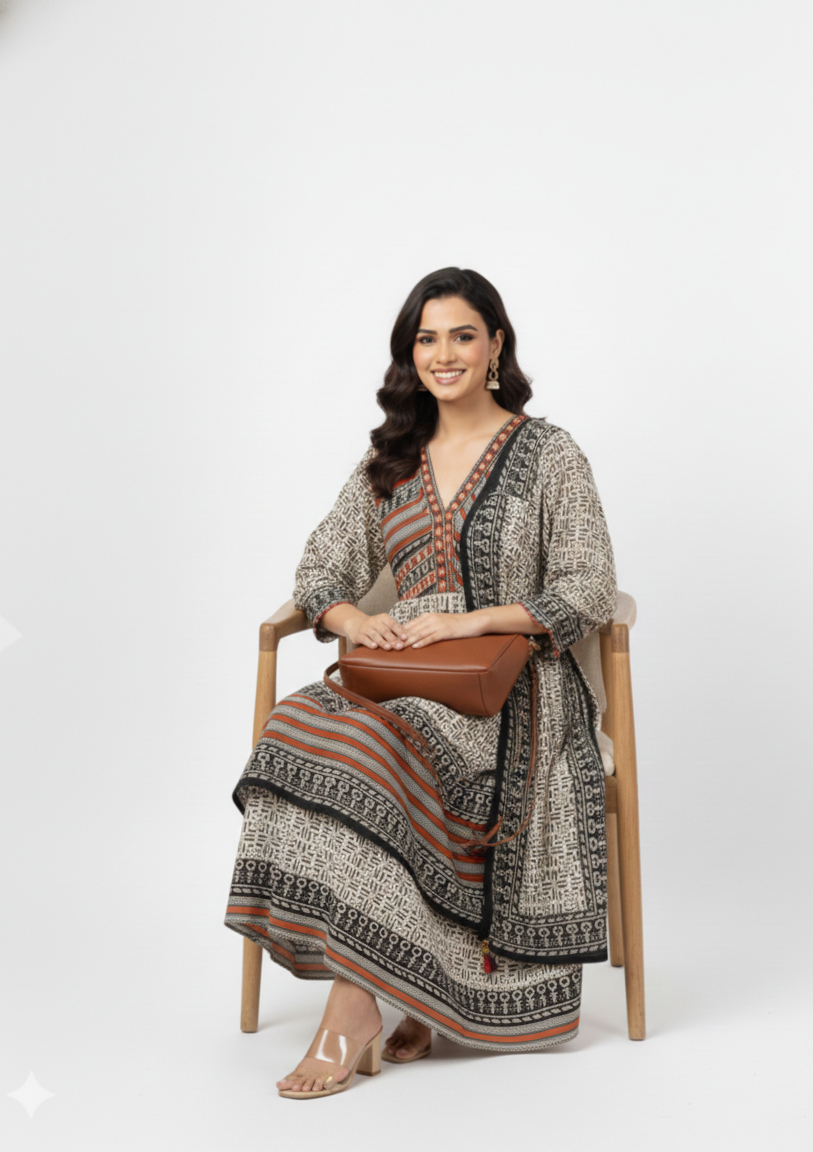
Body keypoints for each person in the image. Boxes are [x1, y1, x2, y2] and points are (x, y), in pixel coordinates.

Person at [225, 266, 617, 1098]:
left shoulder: (548, 453)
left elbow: (588, 583)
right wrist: (351, 619)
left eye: (462, 336)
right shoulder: (390, 459)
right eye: (426, 339)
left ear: (496, 345)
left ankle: (352, 1010)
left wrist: (471, 622)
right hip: (399, 676)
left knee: (373, 754)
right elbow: (320, 567)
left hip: (509, 688)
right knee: (299, 728)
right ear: (410, 354)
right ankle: (398, 982)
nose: (444, 354)